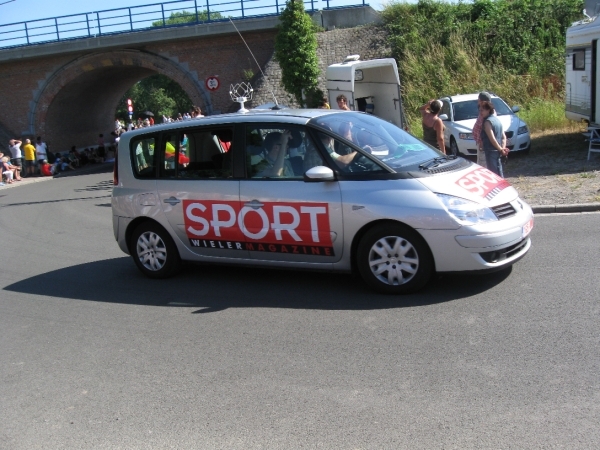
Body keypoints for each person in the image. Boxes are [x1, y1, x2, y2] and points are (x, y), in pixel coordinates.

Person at [480, 100, 508, 177]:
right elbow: (503, 137)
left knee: (494, 174)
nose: (481, 112)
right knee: (499, 172)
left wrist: (501, 149)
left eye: (482, 110)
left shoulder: (487, 122)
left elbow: (492, 139)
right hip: (498, 152)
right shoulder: (497, 120)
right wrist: (503, 148)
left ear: (488, 110)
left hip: (491, 151)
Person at [472, 91, 493, 167]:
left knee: (483, 165)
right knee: (480, 163)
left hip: (483, 144)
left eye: (479, 100)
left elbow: (484, 128)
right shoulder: (483, 110)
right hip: (480, 143)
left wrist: (481, 143)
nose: (478, 101)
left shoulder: (487, 112)